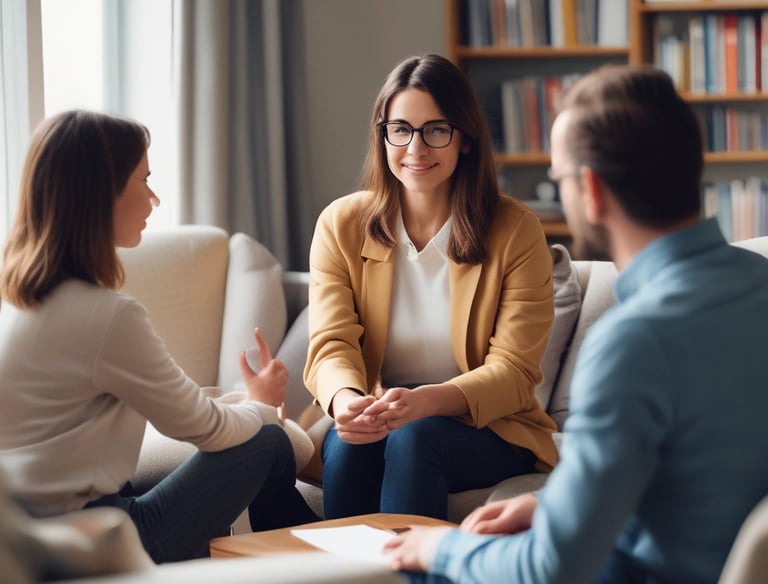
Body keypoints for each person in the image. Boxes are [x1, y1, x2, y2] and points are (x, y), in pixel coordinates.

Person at [383, 64, 768, 583]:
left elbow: (549, 569)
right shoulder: (757, 284)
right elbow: (707, 475)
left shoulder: (634, 341)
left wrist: (439, 548)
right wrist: (554, 509)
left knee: (417, 567)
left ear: (590, 189)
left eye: (559, 177)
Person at [0, 110, 319, 564]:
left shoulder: (19, 303)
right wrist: (263, 404)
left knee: (264, 458)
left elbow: (178, 408)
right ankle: (330, 554)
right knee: (269, 443)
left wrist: (243, 403)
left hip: (25, 536)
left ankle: (310, 555)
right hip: (96, 540)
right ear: (100, 194)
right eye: (144, 181)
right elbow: (206, 429)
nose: (154, 199)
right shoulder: (105, 317)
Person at [303, 53, 558, 521]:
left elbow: (515, 371)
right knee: (350, 442)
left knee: (414, 437)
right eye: (400, 129)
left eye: (436, 130)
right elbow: (331, 344)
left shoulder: (515, 231)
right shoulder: (341, 224)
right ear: (382, 136)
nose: (416, 149)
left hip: (488, 427)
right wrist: (347, 402)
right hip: (386, 412)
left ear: (464, 139)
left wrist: (426, 401)